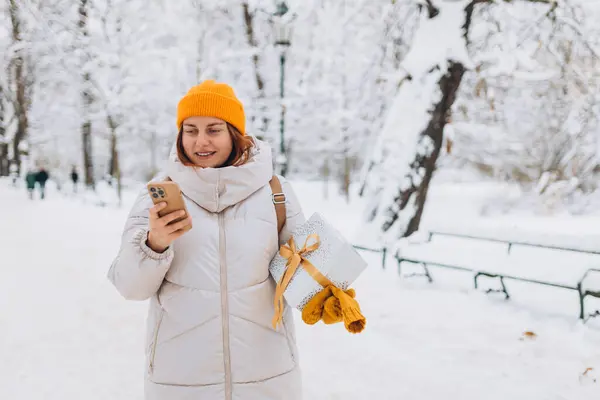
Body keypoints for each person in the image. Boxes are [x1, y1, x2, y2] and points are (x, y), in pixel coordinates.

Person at [108, 80, 305, 400]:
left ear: (234, 133)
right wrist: (154, 243)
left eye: (213, 130)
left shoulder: (275, 192)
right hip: (180, 381)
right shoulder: (157, 196)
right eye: (190, 130)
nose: (201, 141)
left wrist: (328, 287)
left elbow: (302, 274)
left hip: (267, 379)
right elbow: (130, 287)